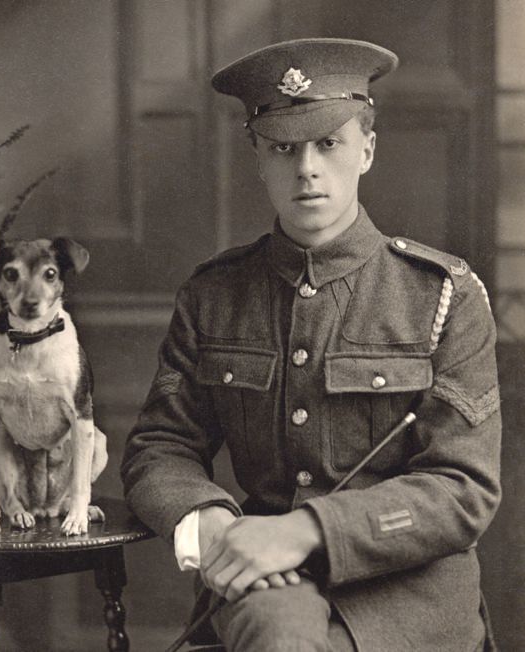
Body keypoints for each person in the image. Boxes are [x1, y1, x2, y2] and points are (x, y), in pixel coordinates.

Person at [121, 38, 501, 651]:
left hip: (410, 590)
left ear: (367, 149)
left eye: (329, 143)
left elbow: (463, 489)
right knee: (279, 637)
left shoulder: (443, 295)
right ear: (258, 158)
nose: (307, 169)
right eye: (283, 148)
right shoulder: (214, 294)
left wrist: (306, 530)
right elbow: (160, 446)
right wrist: (213, 524)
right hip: (267, 581)